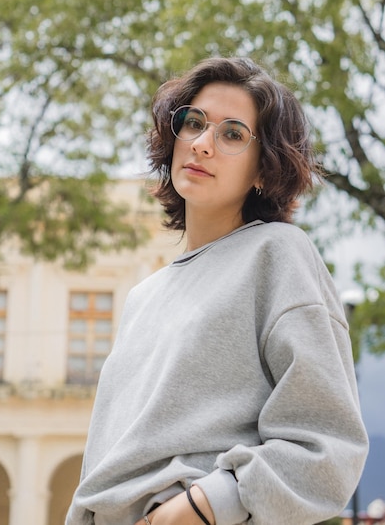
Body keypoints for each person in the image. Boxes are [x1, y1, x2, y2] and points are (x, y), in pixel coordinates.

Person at [66, 56, 368, 525]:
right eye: (194, 123)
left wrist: (199, 507)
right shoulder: (142, 296)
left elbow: (329, 445)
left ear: (263, 169)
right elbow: (106, 459)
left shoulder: (278, 253)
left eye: (232, 134)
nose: (203, 144)